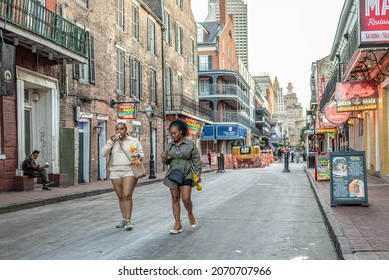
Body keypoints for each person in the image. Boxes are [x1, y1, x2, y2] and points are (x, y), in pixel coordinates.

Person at [161, 119, 202, 234]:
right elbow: (165, 163)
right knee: (175, 198)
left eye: (175, 133)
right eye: (171, 134)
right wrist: (165, 158)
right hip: (173, 173)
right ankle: (177, 223)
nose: (172, 136)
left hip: (187, 173)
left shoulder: (190, 144)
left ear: (181, 132)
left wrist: (198, 175)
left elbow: (197, 161)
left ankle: (190, 213)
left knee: (186, 198)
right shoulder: (169, 145)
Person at [101, 122, 144, 231]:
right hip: (115, 170)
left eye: (121, 129)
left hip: (129, 169)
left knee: (127, 195)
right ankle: (124, 219)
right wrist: (110, 142)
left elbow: (141, 154)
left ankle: (129, 220)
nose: (119, 131)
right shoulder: (113, 142)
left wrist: (138, 156)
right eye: (117, 129)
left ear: (126, 130)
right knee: (120, 196)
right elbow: (103, 153)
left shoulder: (133, 141)